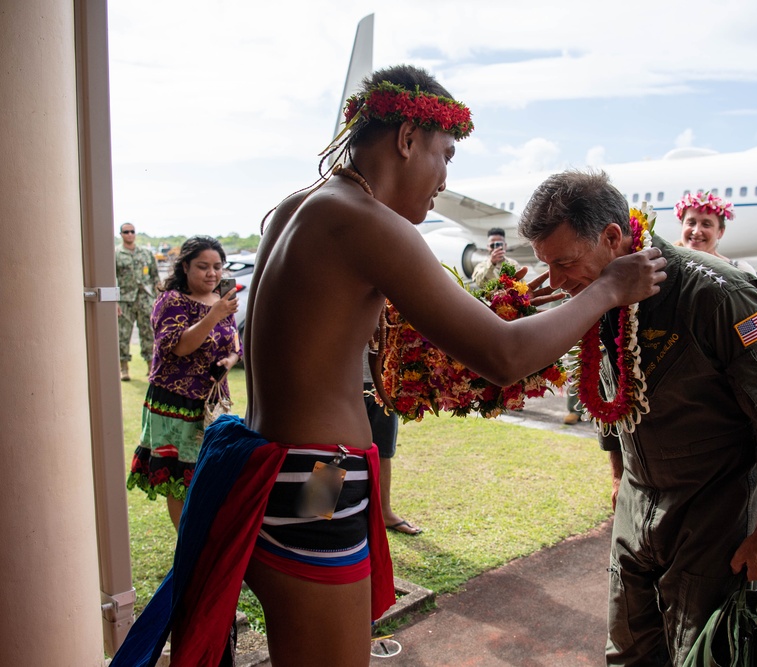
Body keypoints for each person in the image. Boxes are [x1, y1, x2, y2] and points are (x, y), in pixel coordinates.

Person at [111, 66, 666, 667]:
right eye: (445, 154)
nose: (445, 179)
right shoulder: (369, 222)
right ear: (407, 138)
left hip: (281, 473)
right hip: (316, 483)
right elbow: (505, 355)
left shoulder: (295, 209)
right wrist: (607, 289)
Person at [518, 169, 757, 666]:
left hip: (714, 511)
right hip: (638, 502)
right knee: (629, 651)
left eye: (564, 262)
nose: (556, 282)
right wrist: (618, 474)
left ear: (613, 237)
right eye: (546, 265)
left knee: (704, 655)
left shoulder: (716, 293)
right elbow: (609, 391)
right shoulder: (597, 292)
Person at [125, 235, 241, 530]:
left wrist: (231, 359)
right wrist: (214, 315)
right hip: (175, 403)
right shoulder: (171, 301)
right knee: (180, 477)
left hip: (212, 403)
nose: (212, 273)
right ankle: (186, 541)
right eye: (203, 266)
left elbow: (233, 343)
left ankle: (204, 537)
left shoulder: (221, 300)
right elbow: (179, 347)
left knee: (210, 472)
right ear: (185, 266)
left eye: (217, 266)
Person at [363, 349, 421, 534]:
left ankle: (384, 513)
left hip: (385, 379)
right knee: (335, 447)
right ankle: (320, 513)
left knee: (383, 449)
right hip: (340, 377)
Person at [115, 222, 160, 380]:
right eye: (126, 232)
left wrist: (158, 299)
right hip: (125, 300)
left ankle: (151, 367)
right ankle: (123, 368)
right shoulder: (116, 254)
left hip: (145, 299)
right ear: (121, 234)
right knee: (122, 335)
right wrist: (115, 303)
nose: (129, 234)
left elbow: (155, 277)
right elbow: (112, 279)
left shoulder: (146, 254)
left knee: (148, 333)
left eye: (132, 231)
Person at [674, 191, 757, 274]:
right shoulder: (668, 266)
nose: (696, 232)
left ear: (721, 232)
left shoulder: (741, 271)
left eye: (706, 224)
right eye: (691, 223)